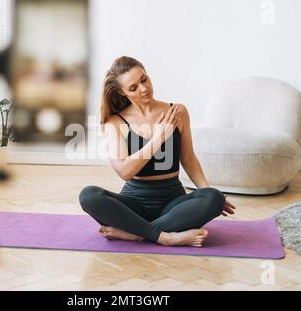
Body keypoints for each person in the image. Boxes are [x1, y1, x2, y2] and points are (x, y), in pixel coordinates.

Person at [79, 56, 236, 247]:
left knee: (214, 198)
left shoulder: (177, 111)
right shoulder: (116, 122)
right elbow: (125, 171)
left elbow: (188, 159)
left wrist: (207, 190)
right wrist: (158, 138)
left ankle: (136, 234)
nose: (143, 88)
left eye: (144, 79)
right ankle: (167, 237)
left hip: (173, 203)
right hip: (133, 204)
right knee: (88, 195)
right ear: (121, 92)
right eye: (133, 87)